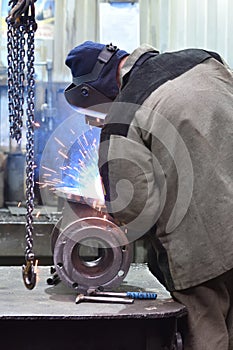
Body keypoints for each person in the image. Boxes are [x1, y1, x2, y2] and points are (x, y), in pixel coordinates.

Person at [64, 40, 233, 350]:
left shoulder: (124, 115)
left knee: (209, 331)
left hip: (203, 249)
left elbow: (138, 209)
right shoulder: (203, 61)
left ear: (94, 93)